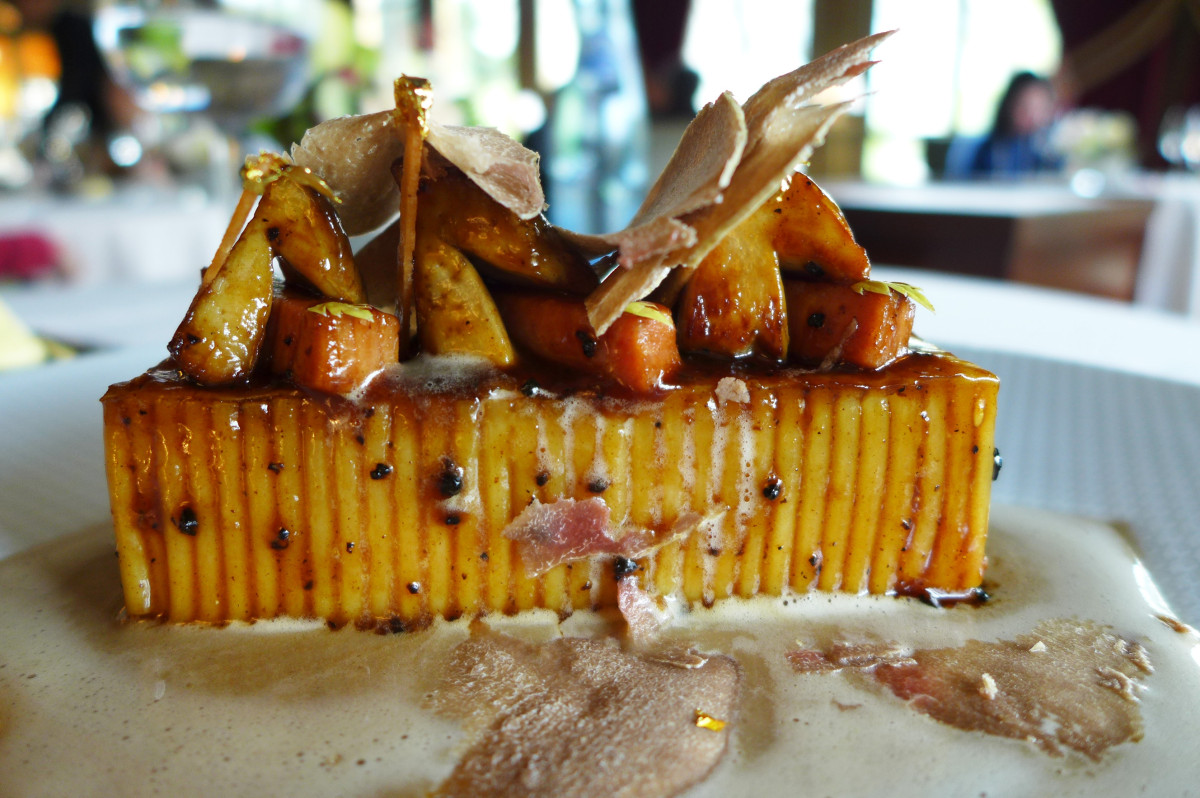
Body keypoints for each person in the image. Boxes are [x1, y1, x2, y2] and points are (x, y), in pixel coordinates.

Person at [947, 71, 1063, 179]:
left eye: (1040, 109)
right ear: (1009, 104)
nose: (1033, 116)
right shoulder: (983, 151)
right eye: (1025, 106)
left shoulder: (1044, 153)